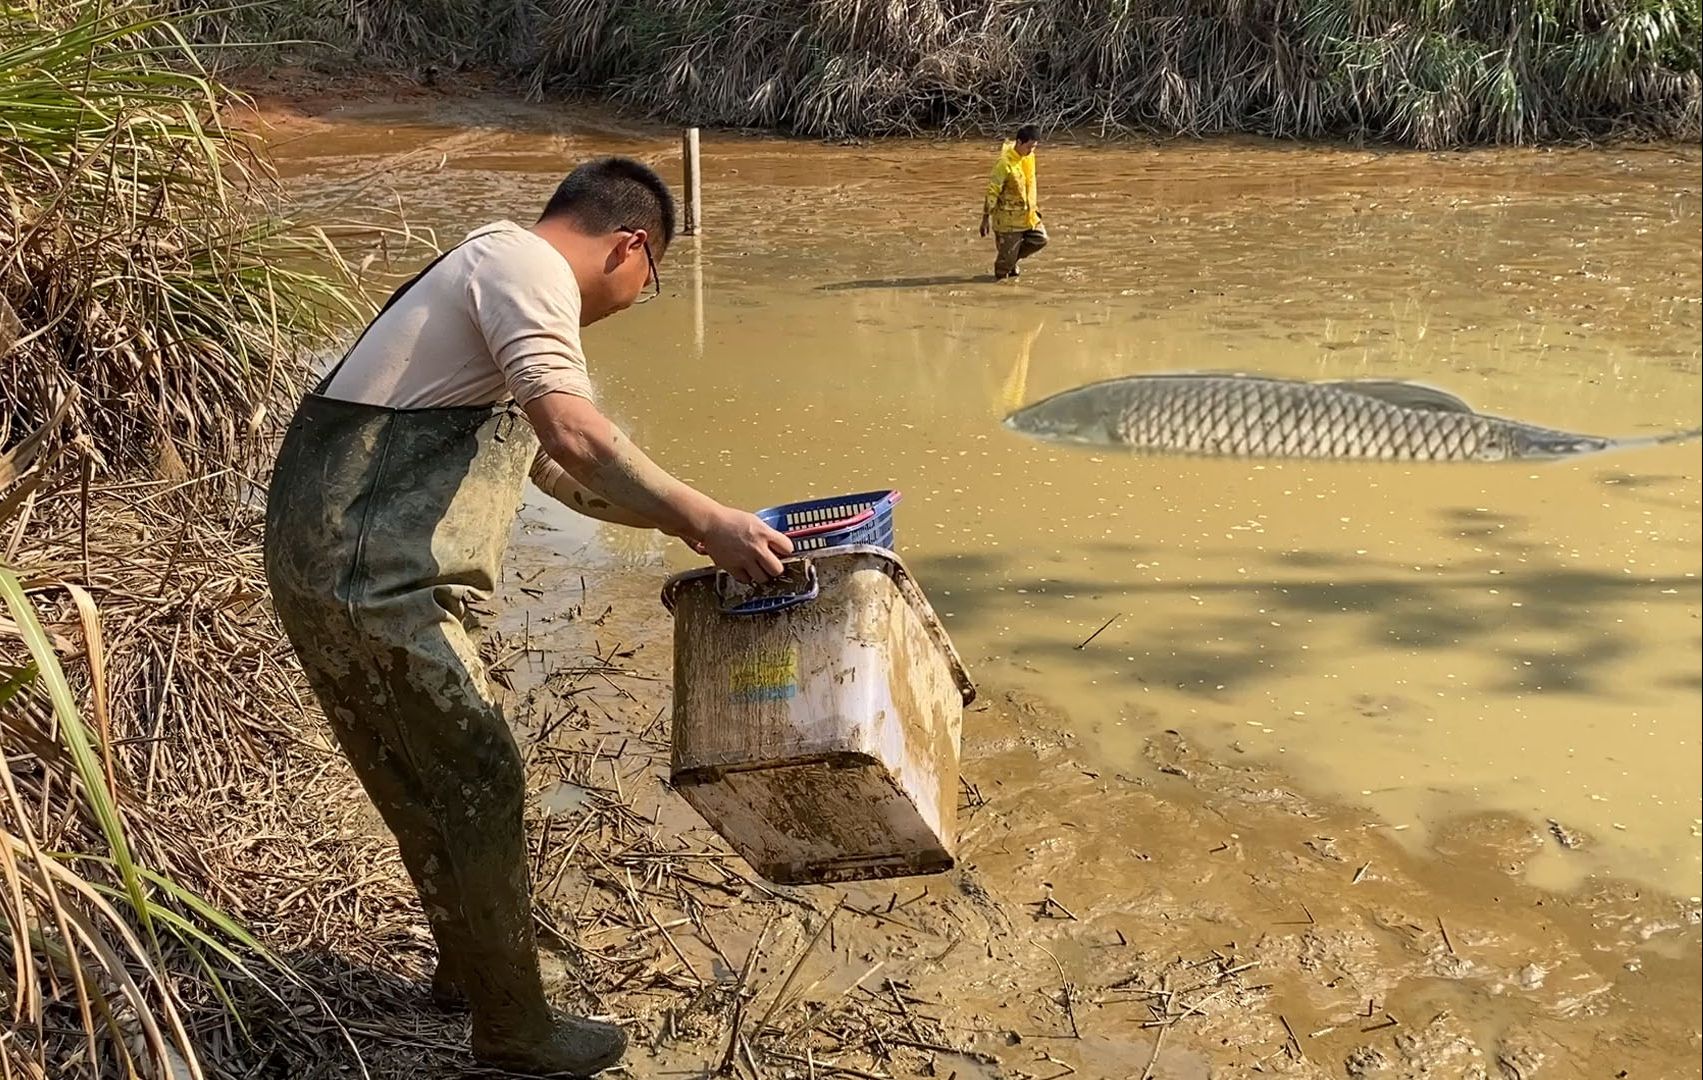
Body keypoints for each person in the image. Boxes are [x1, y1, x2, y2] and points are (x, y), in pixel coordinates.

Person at [262, 158, 793, 1077]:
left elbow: (561, 476)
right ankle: (513, 1034)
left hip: (334, 569)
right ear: (631, 246)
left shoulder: (486, 284)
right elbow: (574, 434)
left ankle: (469, 974)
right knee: (479, 775)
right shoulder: (522, 265)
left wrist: (707, 528)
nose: (637, 297)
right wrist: (706, 516)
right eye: (651, 281)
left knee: (424, 779)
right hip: (370, 579)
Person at [980, 124, 1048, 280]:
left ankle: (1012, 260)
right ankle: (1000, 282)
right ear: (1019, 142)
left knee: (1040, 239)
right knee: (1004, 266)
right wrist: (985, 219)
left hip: (1028, 215)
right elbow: (992, 192)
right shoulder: (1004, 164)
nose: (1031, 151)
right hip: (1008, 220)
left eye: (1034, 147)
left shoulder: (1028, 157)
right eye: (1029, 147)